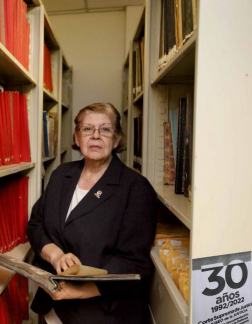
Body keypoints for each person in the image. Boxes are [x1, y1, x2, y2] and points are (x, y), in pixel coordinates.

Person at [27, 103, 157, 324]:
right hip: (52, 304)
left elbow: (135, 263)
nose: (95, 136)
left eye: (105, 129)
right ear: (77, 138)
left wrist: (79, 290)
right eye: (87, 129)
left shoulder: (135, 188)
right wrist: (56, 255)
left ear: (116, 140)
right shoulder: (61, 175)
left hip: (102, 312)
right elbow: (36, 225)